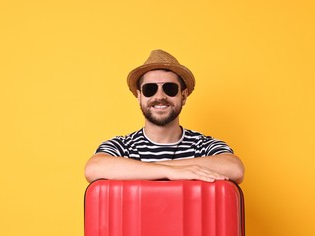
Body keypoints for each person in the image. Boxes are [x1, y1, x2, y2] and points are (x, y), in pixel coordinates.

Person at [85, 49, 244, 184]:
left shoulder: (202, 146)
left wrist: (148, 169)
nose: (160, 96)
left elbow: (234, 168)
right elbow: (94, 168)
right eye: (150, 89)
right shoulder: (123, 146)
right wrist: (170, 172)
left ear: (183, 96)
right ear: (139, 96)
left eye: (169, 88)